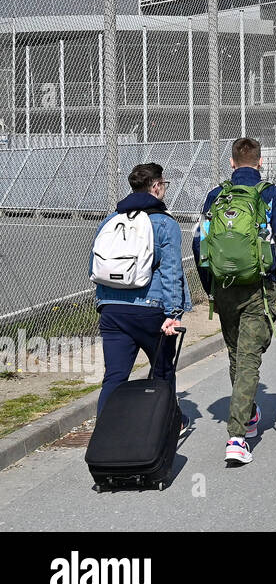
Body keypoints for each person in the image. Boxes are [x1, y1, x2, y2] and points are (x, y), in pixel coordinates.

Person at [195, 137, 276, 465]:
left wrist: (211, 287)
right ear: (260, 162)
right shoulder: (269, 193)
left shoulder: (216, 195)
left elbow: (199, 243)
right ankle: (236, 437)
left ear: (231, 164)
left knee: (236, 352)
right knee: (249, 354)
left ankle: (248, 414)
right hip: (258, 284)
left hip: (224, 286)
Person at [90, 163, 190, 431]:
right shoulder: (165, 223)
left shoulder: (109, 221)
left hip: (111, 310)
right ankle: (167, 425)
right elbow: (171, 273)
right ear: (156, 186)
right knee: (161, 371)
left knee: (115, 376)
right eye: (164, 185)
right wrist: (173, 313)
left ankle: (105, 432)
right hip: (151, 310)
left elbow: (95, 265)